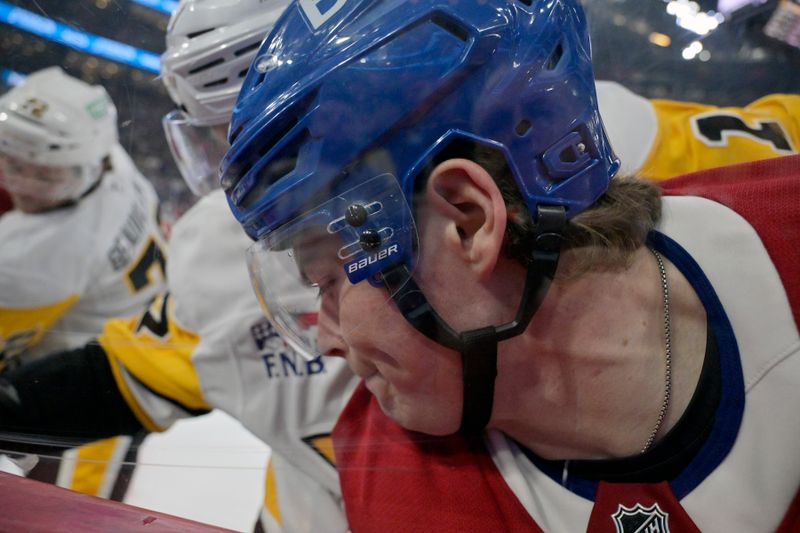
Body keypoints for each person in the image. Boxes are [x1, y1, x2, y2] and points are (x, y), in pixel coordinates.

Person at [220, 1, 800, 531]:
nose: (326, 342)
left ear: (468, 223)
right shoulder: (392, 483)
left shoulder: (403, 489)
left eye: (326, 281)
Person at [0, 1, 357, 531]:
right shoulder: (218, 250)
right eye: (225, 136)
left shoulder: (48, 253)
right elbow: (135, 371)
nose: (242, 170)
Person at [0, 67, 166, 497]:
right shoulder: (113, 163)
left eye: (47, 175)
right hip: (130, 359)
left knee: (59, 516)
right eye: (13, 166)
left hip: (84, 395)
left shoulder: (35, 257)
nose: (26, 188)